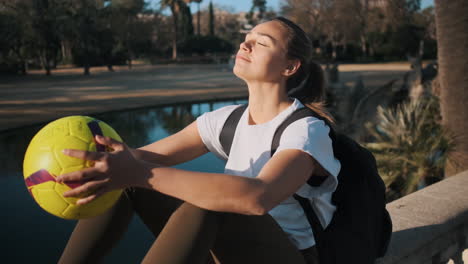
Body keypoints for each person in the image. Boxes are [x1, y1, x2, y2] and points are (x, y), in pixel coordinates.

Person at [57, 16, 341, 264]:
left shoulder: (305, 129)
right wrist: (98, 164)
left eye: (262, 43)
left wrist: (142, 173)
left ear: (290, 67)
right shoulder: (226, 120)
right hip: (229, 252)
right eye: (246, 39)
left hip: (289, 257)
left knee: (209, 208)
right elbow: (138, 159)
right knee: (124, 179)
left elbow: (258, 197)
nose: (245, 45)